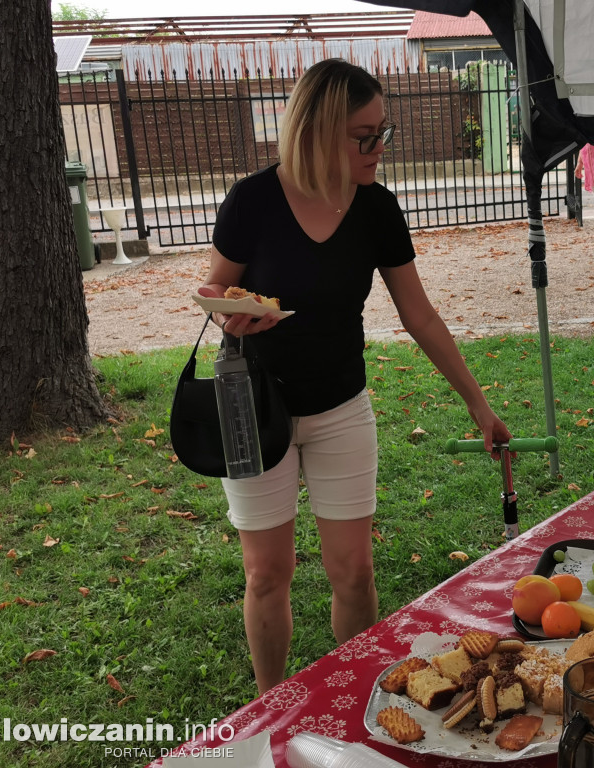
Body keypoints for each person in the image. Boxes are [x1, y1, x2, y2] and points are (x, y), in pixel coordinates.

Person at [197, 59, 511, 694]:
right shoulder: (252, 201)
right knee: (266, 574)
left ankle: (356, 700)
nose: (379, 148)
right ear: (315, 131)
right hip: (255, 407)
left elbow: (419, 314)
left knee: (355, 572)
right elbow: (214, 285)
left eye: (383, 132)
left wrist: (479, 405)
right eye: (364, 135)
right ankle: (271, 707)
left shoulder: (376, 208)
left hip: (341, 407)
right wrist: (235, 313)